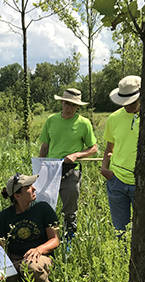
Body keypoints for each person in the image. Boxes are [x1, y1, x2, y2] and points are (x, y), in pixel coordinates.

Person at [39, 88, 97, 240]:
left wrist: (76, 155)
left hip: (71, 171)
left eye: (73, 105)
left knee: (70, 208)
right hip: (50, 169)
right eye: (66, 103)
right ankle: (47, 237)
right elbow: (45, 146)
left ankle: (69, 239)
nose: (69, 107)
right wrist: (39, 168)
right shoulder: (51, 120)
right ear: (62, 102)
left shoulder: (84, 123)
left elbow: (94, 148)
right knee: (45, 205)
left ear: (78, 106)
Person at [0, 173, 60, 282]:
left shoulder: (43, 209)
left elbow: (55, 240)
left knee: (31, 267)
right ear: (17, 195)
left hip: (38, 257)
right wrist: (0, 269)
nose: (34, 188)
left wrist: (39, 249)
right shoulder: (4, 217)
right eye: (29, 187)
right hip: (15, 259)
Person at [100, 75, 141, 234]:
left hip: (141, 183)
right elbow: (109, 148)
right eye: (123, 102)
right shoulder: (114, 118)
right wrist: (105, 169)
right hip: (116, 181)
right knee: (120, 231)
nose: (126, 106)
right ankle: (123, 258)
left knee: (143, 229)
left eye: (131, 102)